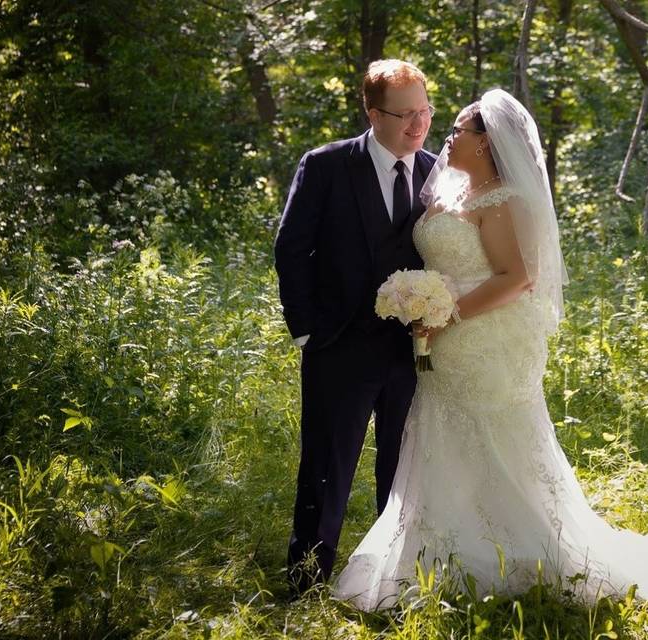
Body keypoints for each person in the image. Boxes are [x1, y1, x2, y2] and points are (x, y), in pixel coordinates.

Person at [332, 88, 648, 613]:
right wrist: (421, 302)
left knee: (497, 440)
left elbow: (518, 278)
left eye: (460, 130)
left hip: (482, 338)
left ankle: (524, 551)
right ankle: (437, 553)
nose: (449, 137)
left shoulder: (503, 200)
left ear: (486, 143)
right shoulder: (447, 193)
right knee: (442, 438)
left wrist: (446, 312)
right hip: (442, 343)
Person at [273, 59, 438, 597]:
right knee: (327, 463)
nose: (419, 125)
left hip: (412, 350)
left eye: (425, 111)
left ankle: (390, 579)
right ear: (373, 113)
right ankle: (307, 579)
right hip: (338, 344)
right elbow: (292, 248)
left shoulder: (439, 172)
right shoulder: (324, 166)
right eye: (405, 114)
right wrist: (306, 331)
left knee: (403, 467)